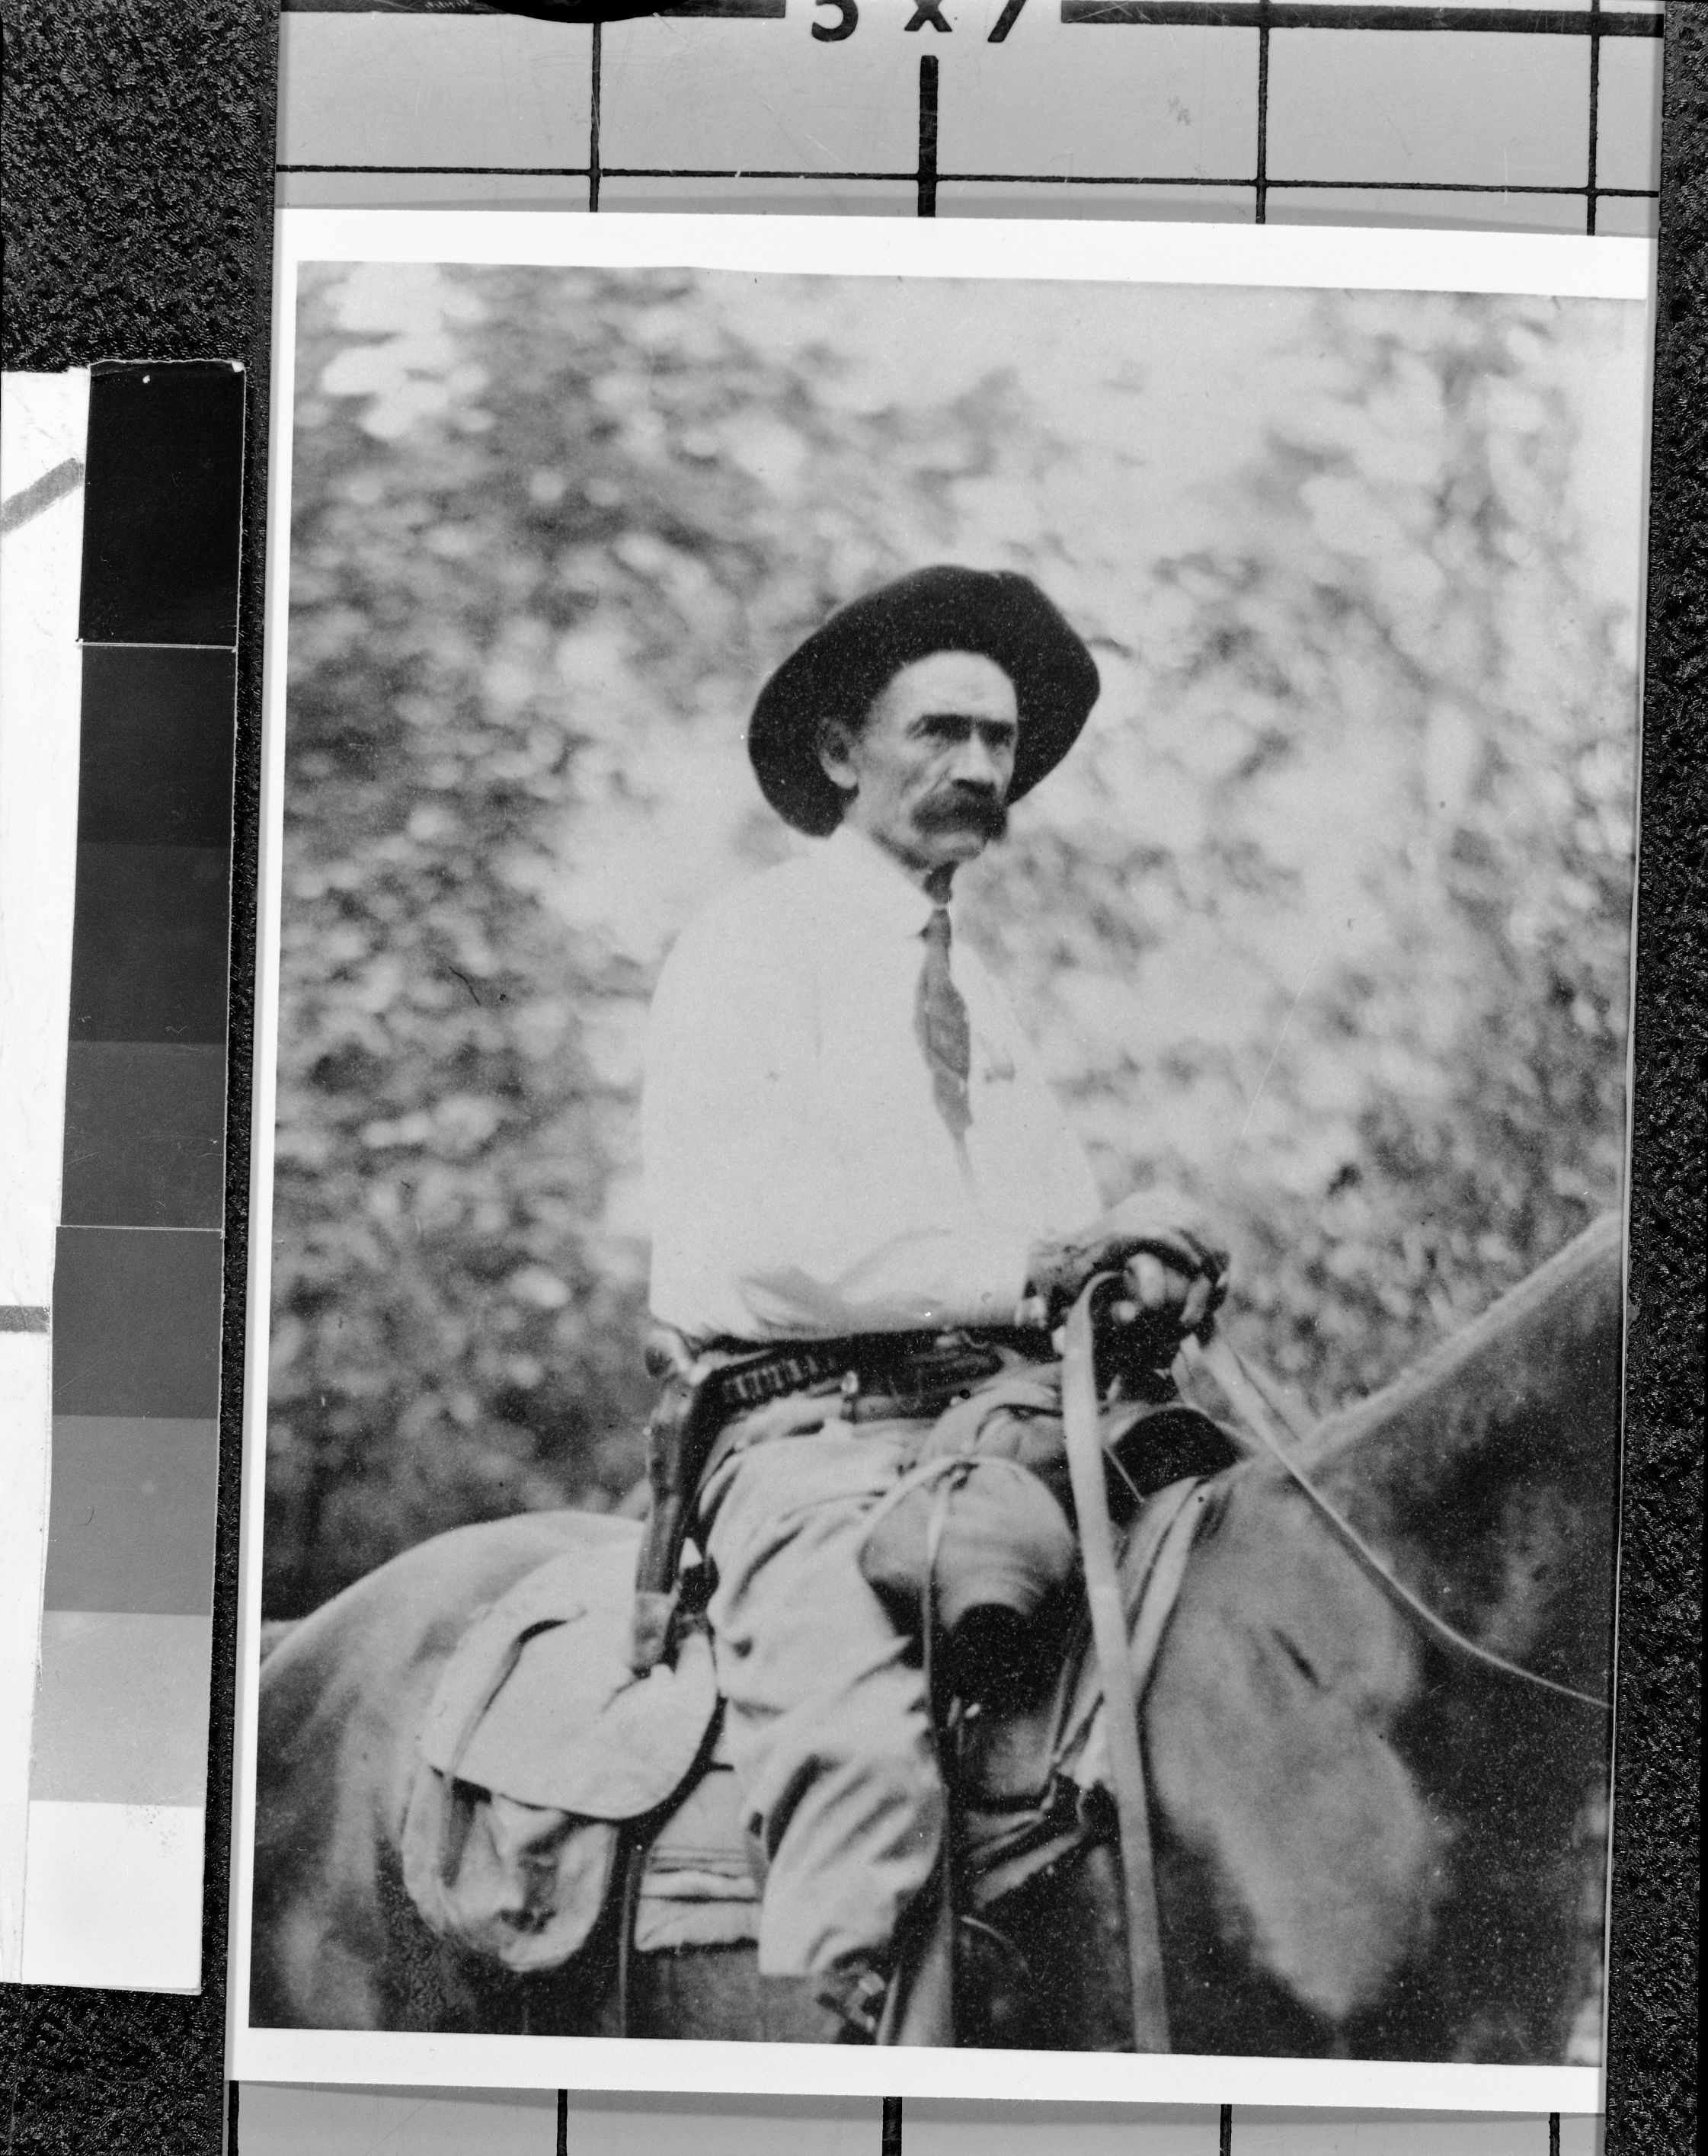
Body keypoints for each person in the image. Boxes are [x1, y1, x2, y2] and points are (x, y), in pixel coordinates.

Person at [641, 565, 1226, 2039]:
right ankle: (833, 2074)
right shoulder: (753, 946)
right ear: (842, 752)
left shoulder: (988, 997)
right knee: (864, 1766)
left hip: (1001, 1434)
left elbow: (1054, 1242)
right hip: (814, 1439)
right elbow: (757, 1244)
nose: (977, 765)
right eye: (939, 730)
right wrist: (1034, 1265)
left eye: (999, 740)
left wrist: (1126, 1277)